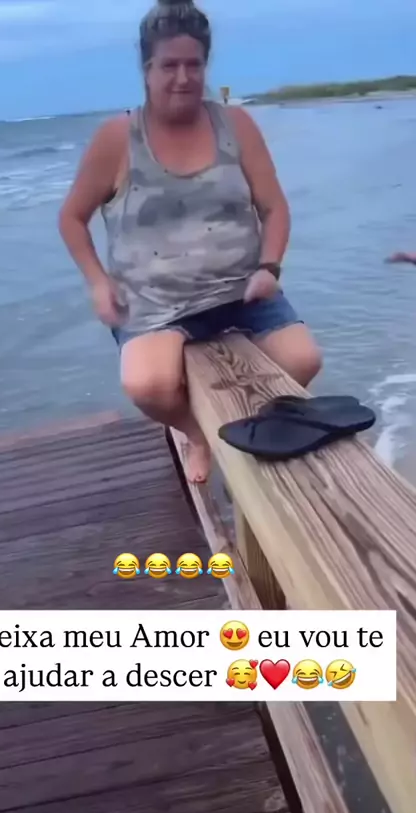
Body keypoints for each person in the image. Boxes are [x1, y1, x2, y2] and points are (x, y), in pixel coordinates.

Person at [59, 0, 322, 483]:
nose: (182, 77)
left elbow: (274, 208)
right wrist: (98, 282)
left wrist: (270, 267)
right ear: (147, 69)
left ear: (205, 65)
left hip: (242, 292)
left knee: (304, 360)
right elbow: (72, 218)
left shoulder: (236, 126)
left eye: (193, 65)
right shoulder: (117, 138)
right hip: (157, 303)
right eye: (169, 65)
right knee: (148, 385)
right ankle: (199, 435)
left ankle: (248, 431)